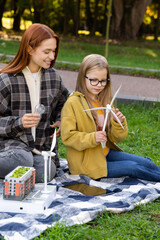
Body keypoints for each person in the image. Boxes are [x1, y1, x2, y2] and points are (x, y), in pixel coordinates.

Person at [61, 54, 160, 182]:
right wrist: (93, 137)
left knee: (147, 162)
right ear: (82, 77)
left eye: (103, 81)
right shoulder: (73, 103)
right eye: (93, 80)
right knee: (134, 167)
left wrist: (118, 122)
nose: (99, 85)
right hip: (86, 163)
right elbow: (67, 137)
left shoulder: (103, 101)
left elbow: (116, 138)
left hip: (105, 153)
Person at [0, 23, 69, 183]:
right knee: (23, 160)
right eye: (47, 52)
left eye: (54, 51)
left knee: (47, 172)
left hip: (39, 149)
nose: (52, 57)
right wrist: (19, 122)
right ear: (29, 49)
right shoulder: (6, 80)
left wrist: (61, 120)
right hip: (11, 148)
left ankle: (15, 177)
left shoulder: (53, 78)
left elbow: (64, 103)